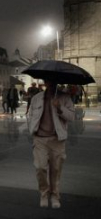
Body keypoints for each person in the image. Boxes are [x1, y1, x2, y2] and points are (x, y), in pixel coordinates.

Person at [28, 80, 75, 209]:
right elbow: (30, 114)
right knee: (40, 167)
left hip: (57, 140)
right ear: (45, 82)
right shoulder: (37, 98)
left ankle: (54, 195)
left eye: (53, 80)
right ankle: (44, 193)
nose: (50, 83)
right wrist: (31, 129)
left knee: (55, 169)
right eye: (48, 80)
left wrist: (60, 107)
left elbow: (72, 116)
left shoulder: (64, 97)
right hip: (40, 139)